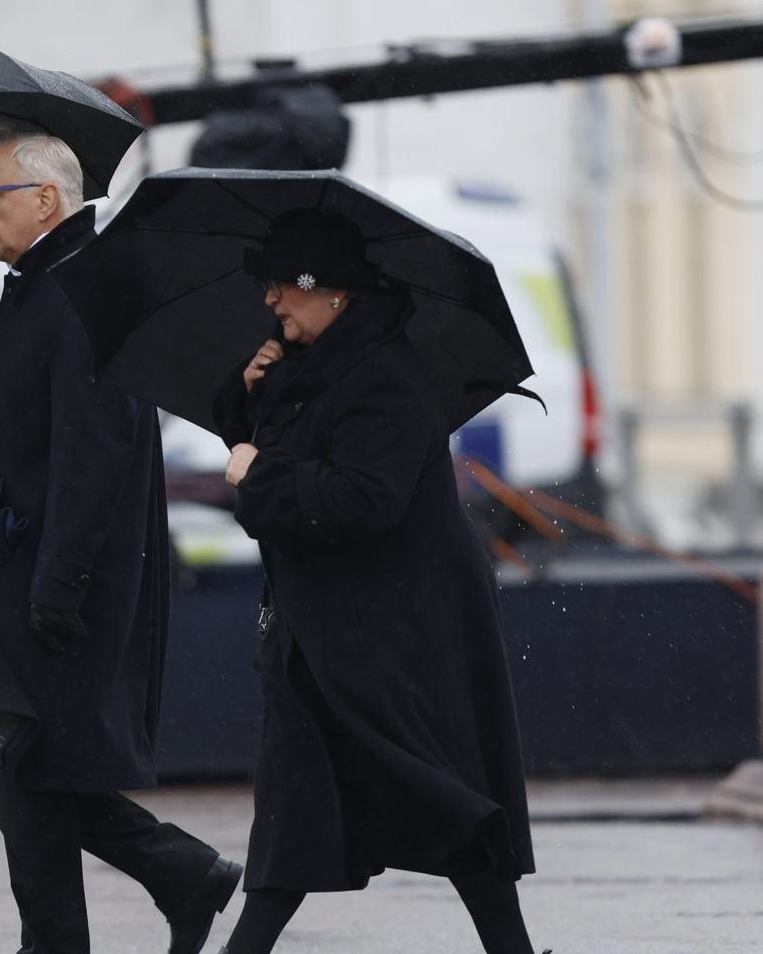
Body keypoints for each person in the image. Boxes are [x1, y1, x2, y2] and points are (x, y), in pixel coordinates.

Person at [0, 122, 242, 954]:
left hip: (46, 591)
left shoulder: (83, 285)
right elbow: (22, 427)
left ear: (46, 198)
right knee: (32, 777)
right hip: (18, 581)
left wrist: (58, 583)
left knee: (29, 773)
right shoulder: (42, 279)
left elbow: (95, 453)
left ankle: (147, 893)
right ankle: (180, 876)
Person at [211, 208, 543, 954]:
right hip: (325, 635)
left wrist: (260, 476)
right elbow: (286, 456)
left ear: (332, 293)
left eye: (282, 287)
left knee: (450, 806)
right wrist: (250, 393)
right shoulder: (305, 366)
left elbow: (365, 498)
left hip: (398, 640)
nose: (270, 300)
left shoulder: (387, 376)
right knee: (293, 822)